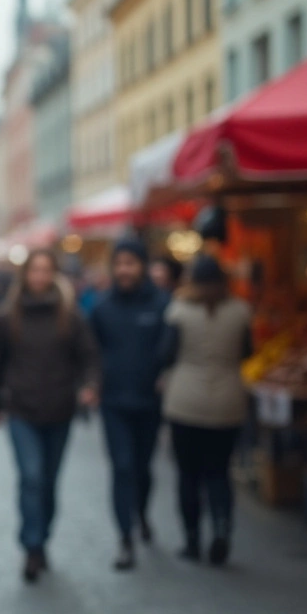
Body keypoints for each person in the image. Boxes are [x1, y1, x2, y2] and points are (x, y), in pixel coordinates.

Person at [0, 250, 99, 583]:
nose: (39, 276)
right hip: (22, 410)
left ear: (53, 274)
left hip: (60, 408)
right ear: (25, 275)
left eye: (45, 270)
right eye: (34, 270)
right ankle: (32, 546)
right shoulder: (7, 316)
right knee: (31, 477)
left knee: (49, 482)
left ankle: (43, 534)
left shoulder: (70, 315)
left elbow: (88, 356)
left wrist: (90, 385)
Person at [160, 255, 252, 566]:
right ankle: (222, 528)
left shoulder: (179, 310)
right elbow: (248, 352)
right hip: (228, 400)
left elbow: (166, 353)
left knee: (188, 474)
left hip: (186, 400)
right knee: (219, 472)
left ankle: (192, 539)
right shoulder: (240, 311)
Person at [90, 237, 171, 571]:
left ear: (142, 266)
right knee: (121, 468)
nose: (124, 270)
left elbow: (172, 348)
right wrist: (90, 384)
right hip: (113, 403)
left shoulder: (162, 304)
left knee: (143, 468)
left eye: (131, 263)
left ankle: (142, 512)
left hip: (150, 402)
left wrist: (166, 374)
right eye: (119, 263)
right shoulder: (101, 308)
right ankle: (125, 538)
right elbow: (90, 352)